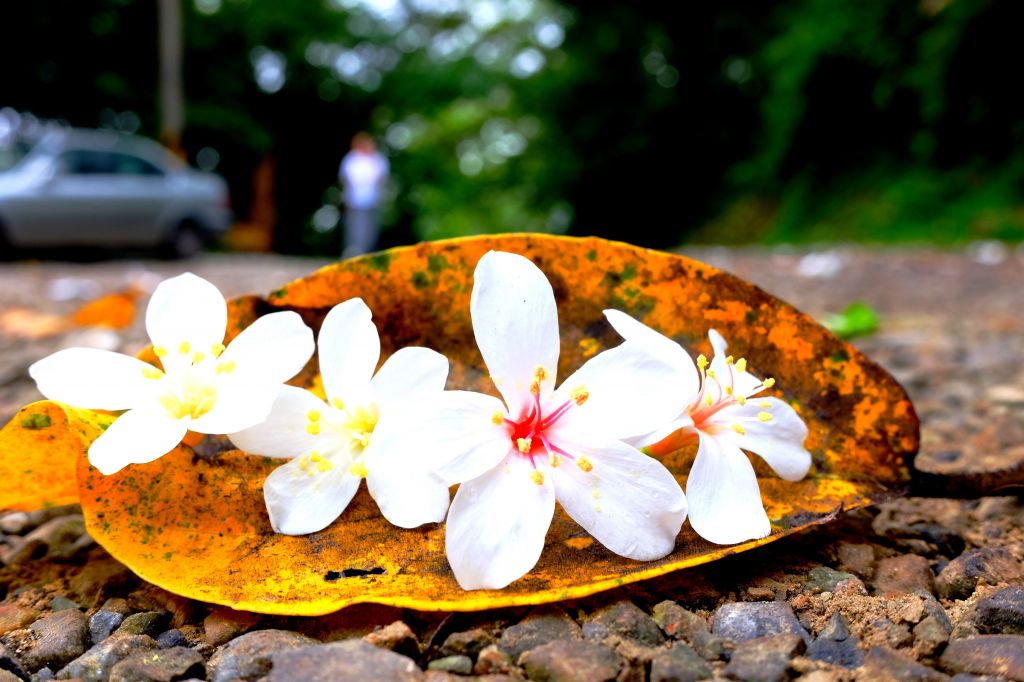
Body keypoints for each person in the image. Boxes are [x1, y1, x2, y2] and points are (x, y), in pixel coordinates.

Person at [339, 132, 389, 258]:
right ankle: (353, 251)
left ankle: (368, 252)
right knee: (354, 226)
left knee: (370, 228)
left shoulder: (377, 159)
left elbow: (382, 176)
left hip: (372, 199)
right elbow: (345, 178)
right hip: (355, 199)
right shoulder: (351, 159)